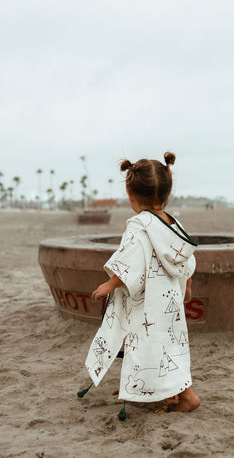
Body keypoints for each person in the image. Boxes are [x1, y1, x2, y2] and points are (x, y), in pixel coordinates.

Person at [85, 152, 201, 412]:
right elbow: (186, 258)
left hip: (147, 302)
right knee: (170, 345)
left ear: (130, 194)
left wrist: (110, 284)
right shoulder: (173, 223)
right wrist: (189, 285)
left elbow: (131, 258)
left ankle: (188, 397)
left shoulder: (139, 225)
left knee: (144, 343)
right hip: (170, 300)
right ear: (167, 194)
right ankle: (138, 385)